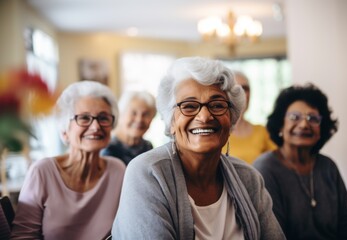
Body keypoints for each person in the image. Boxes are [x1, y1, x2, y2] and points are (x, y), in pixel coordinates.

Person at [111, 57, 285, 239]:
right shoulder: (147, 172)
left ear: (231, 119)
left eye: (217, 105)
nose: (204, 116)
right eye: (189, 106)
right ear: (171, 121)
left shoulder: (248, 178)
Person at [11, 81, 126, 239]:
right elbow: (23, 236)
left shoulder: (118, 170)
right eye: (84, 118)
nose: (96, 127)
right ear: (64, 131)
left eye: (103, 118)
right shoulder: (42, 172)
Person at [253, 83, 347, 239]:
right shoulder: (265, 169)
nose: (304, 124)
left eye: (313, 118)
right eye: (294, 117)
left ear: (321, 129)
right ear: (281, 126)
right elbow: (271, 234)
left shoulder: (328, 167)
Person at [224, 71, 276, 164]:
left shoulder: (262, 131)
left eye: (245, 88)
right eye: (236, 88)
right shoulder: (218, 133)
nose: (242, 93)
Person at [101, 90, 156, 165]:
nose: (139, 119)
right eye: (134, 113)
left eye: (145, 114)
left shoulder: (147, 147)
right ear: (121, 114)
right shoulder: (107, 148)